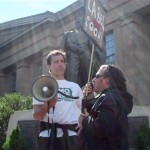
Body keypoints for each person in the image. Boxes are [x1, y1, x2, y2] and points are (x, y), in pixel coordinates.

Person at [32, 50, 84, 150]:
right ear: (49, 66)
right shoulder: (41, 85)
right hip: (48, 137)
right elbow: (36, 115)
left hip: (71, 136)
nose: (60, 64)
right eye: (56, 62)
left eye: (62, 61)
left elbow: (84, 110)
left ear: (65, 65)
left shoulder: (74, 87)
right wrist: (49, 105)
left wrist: (83, 124)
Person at [78, 64, 133, 150]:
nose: (93, 80)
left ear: (106, 80)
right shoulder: (113, 97)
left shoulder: (109, 98)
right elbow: (101, 118)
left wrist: (84, 120)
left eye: (96, 76)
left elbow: (101, 127)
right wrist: (89, 100)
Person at [61, 18, 106, 87]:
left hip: (85, 54)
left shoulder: (87, 35)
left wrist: (97, 52)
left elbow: (92, 46)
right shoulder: (70, 34)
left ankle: (89, 85)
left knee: (88, 71)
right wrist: (78, 49)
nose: (77, 23)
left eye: (79, 22)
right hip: (74, 56)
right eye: (76, 22)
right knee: (73, 74)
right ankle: (72, 89)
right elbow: (68, 43)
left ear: (83, 23)